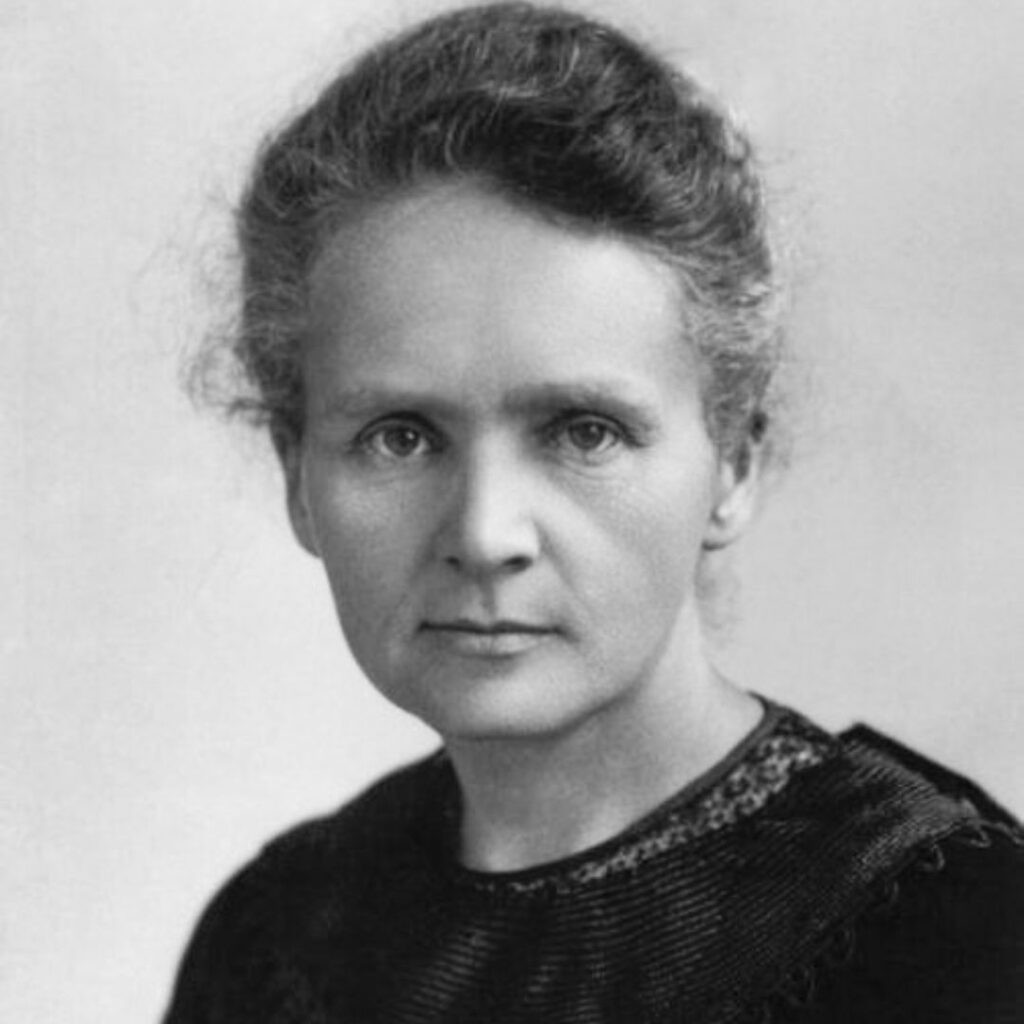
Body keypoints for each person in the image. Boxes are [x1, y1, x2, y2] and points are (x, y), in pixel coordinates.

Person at [163, 3, 1024, 1021]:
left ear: (733, 464)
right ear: (296, 476)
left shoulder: (947, 929)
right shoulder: (274, 944)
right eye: (401, 436)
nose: (485, 534)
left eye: (583, 432)